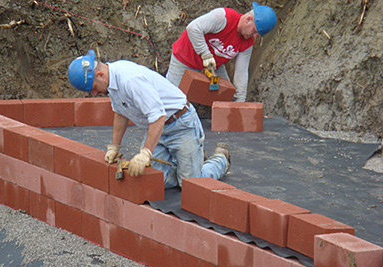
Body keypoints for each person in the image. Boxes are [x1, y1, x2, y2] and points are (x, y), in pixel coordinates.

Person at [67, 50, 230, 189]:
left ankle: (220, 159)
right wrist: (114, 146)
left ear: (100, 75)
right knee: (158, 180)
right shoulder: (112, 83)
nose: (94, 93)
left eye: (93, 88)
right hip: (159, 128)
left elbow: (158, 116)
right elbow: (120, 112)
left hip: (181, 124)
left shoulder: (130, 80)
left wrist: (145, 153)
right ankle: (189, 160)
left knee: (190, 184)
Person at [166, 2, 276, 102]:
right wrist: (205, 54)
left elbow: (241, 72)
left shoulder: (247, 42)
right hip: (185, 59)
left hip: (212, 67)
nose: (255, 36)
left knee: (227, 97)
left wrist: (240, 102)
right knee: (171, 99)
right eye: (255, 31)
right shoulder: (223, 18)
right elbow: (193, 28)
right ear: (248, 20)